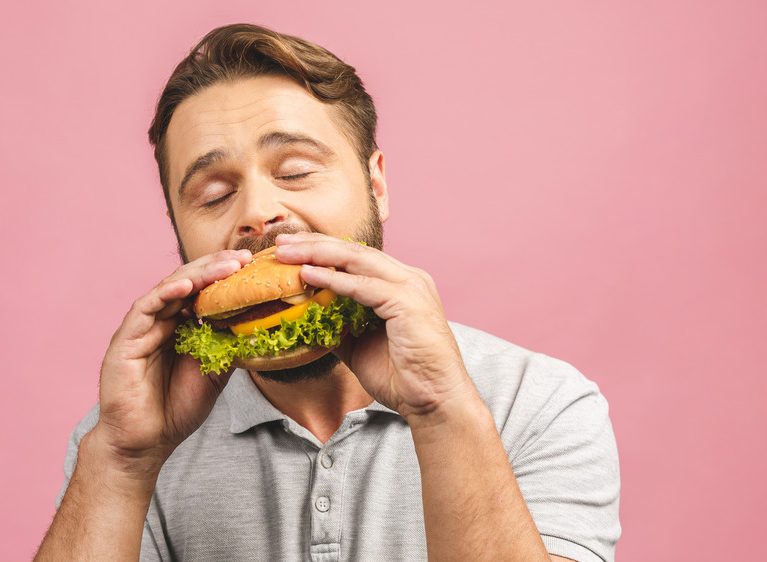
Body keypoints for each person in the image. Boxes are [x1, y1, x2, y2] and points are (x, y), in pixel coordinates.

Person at [34, 23, 620, 562]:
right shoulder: (129, 434)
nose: (259, 213)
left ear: (376, 184)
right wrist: (120, 462)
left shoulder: (539, 403)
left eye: (294, 171)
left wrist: (442, 410)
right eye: (213, 194)